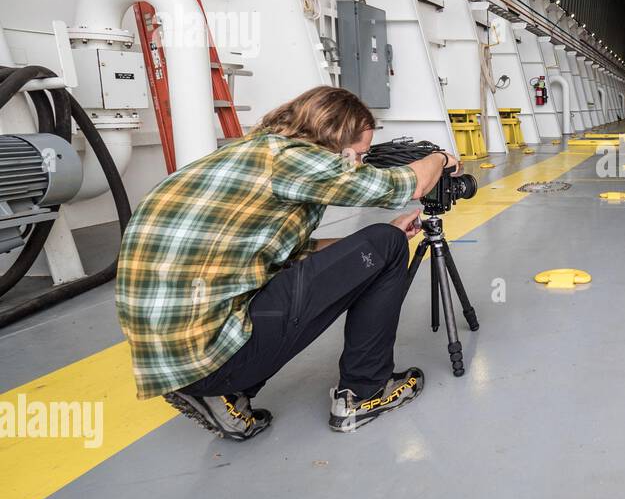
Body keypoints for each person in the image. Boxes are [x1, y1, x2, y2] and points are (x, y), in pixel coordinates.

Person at [115, 86, 458, 441]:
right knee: (385, 244)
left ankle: (225, 396)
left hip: (177, 354)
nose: (359, 162)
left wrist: (362, 252)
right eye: (358, 154)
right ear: (335, 140)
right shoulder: (294, 161)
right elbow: (406, 185)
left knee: (380, 242)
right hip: (212, 355)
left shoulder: (254, 151)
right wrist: (442, 159)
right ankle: (365, 393)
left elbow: (286, 252)